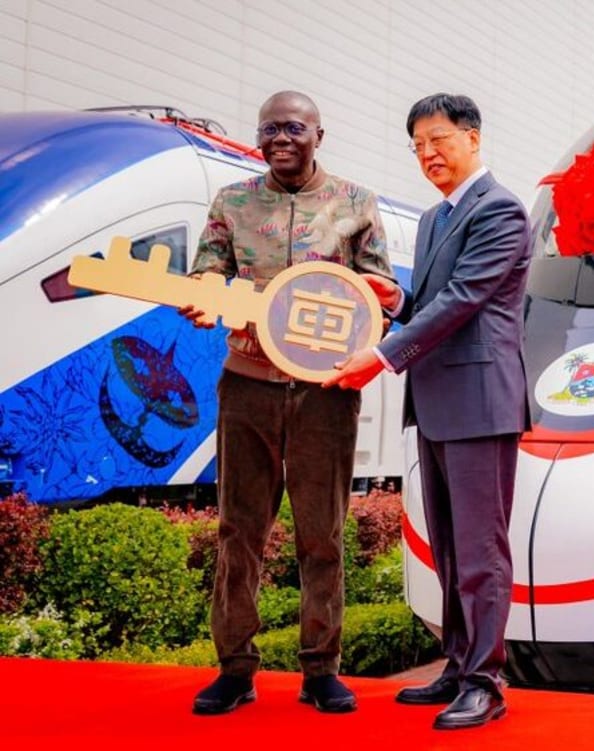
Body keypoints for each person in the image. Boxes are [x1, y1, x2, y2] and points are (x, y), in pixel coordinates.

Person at [183, 90, 399, 716]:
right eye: (271, 128)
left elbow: (382, 290)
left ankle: (321, 670)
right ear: (259, 136)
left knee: (321, 535)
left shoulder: (357, 203)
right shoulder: (233, 202)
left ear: (318, 136)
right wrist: (201, 295)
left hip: (323, 391)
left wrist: (372, 299)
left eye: (294, 128)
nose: (281, 137)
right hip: (246, 382)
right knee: (238, 532)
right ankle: (234, 669)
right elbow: (208, 269)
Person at [323, 93, 531, 730]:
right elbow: (435, 304)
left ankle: (486, 682)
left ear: (472, 138)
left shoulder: (500, 210)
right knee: (448, 545)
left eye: (438, 139)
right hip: (440, 402)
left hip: (481, 401)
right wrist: (398, 298)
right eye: (417, 146)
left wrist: (382, 356)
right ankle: (458, 662)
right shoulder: (437, 219)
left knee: (481, 550)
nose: (428, 154)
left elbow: (468, 299)